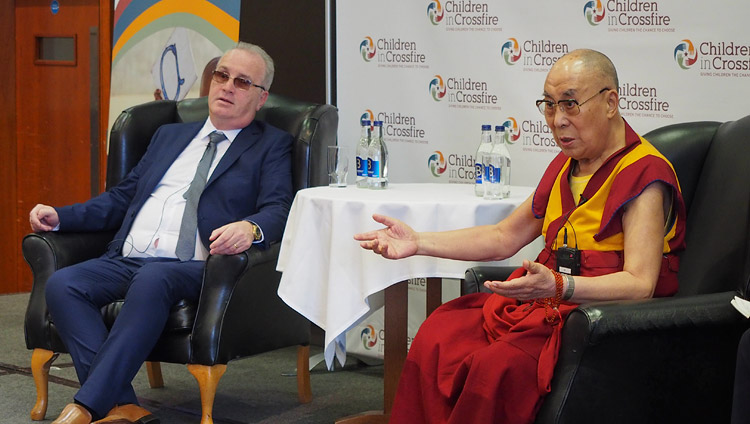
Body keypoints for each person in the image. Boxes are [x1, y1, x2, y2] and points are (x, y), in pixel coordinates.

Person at [354, 49, 686, 424]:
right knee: (439, 334)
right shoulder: (566, 165)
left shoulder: (644, 174)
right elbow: (502, 236)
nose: (558, 120)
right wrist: (419, 242)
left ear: (611, 102)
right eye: (548, 105)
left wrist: (560, 286)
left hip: (598, 319)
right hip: (548, 304)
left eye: (570, 105)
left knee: (495, 367)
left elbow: (640, 284)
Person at [29, 42, 292, 424]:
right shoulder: (169, 136)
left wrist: (250, 228)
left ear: (261, 96)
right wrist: (61, 216)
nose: (227, 86)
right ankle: (120, 405)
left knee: (154, 277)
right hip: (129, 256)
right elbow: (123, 197)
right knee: (64, 284)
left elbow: (279, 208)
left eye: (242, 81)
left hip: (195, 264)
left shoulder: (270, 145)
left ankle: (85, 407)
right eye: (221, 75)